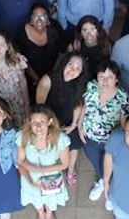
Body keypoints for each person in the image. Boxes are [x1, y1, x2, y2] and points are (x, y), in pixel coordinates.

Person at [78, 61, 129, 203]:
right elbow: (84, 106)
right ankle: (103, 182)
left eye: (110, 77)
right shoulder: (91, 87)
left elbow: (124, 123)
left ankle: (111, 190)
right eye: (101, 76)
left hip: (110, 142)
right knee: (97, 162)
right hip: (89, 138)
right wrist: (79, 125)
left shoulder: (122, 97)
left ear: (116, 79)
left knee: (111, 164)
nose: (105, 81)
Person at [35, 53, 89, 185]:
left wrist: (74, 124)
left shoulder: (79, 84)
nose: (72, 70)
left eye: (77, 68)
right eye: (70, 64)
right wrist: (54, 127)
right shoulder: (48, 79)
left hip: (68, 121)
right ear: (64, 63)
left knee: (74, 142)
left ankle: (70, 169)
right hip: (49, 121)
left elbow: (79, 105)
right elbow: (40, 108)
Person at [17, 105, 70, 219]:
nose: (38, 126)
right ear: (30, 123)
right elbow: (20, 162)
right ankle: (42, 215)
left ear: (50, 122)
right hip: (31, 178)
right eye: (34, 122)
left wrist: (40, 170)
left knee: (51, 201)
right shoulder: (23, 137)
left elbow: (64, 164)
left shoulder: (60, 139)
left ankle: (49, 215)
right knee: (37, 201)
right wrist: (30, 180)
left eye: (42, 122)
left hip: (52, 178)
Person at [15, 3, 64, 93]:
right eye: (35, 16)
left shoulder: (55, 29)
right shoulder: (22, 33)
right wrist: (37, 80)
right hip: (30, 79)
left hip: (53, 76)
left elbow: (61, 55)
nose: (39, 20)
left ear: (48, 20)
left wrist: (50, 78)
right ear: (31, 20)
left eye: (43, 16)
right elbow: (21, 60)